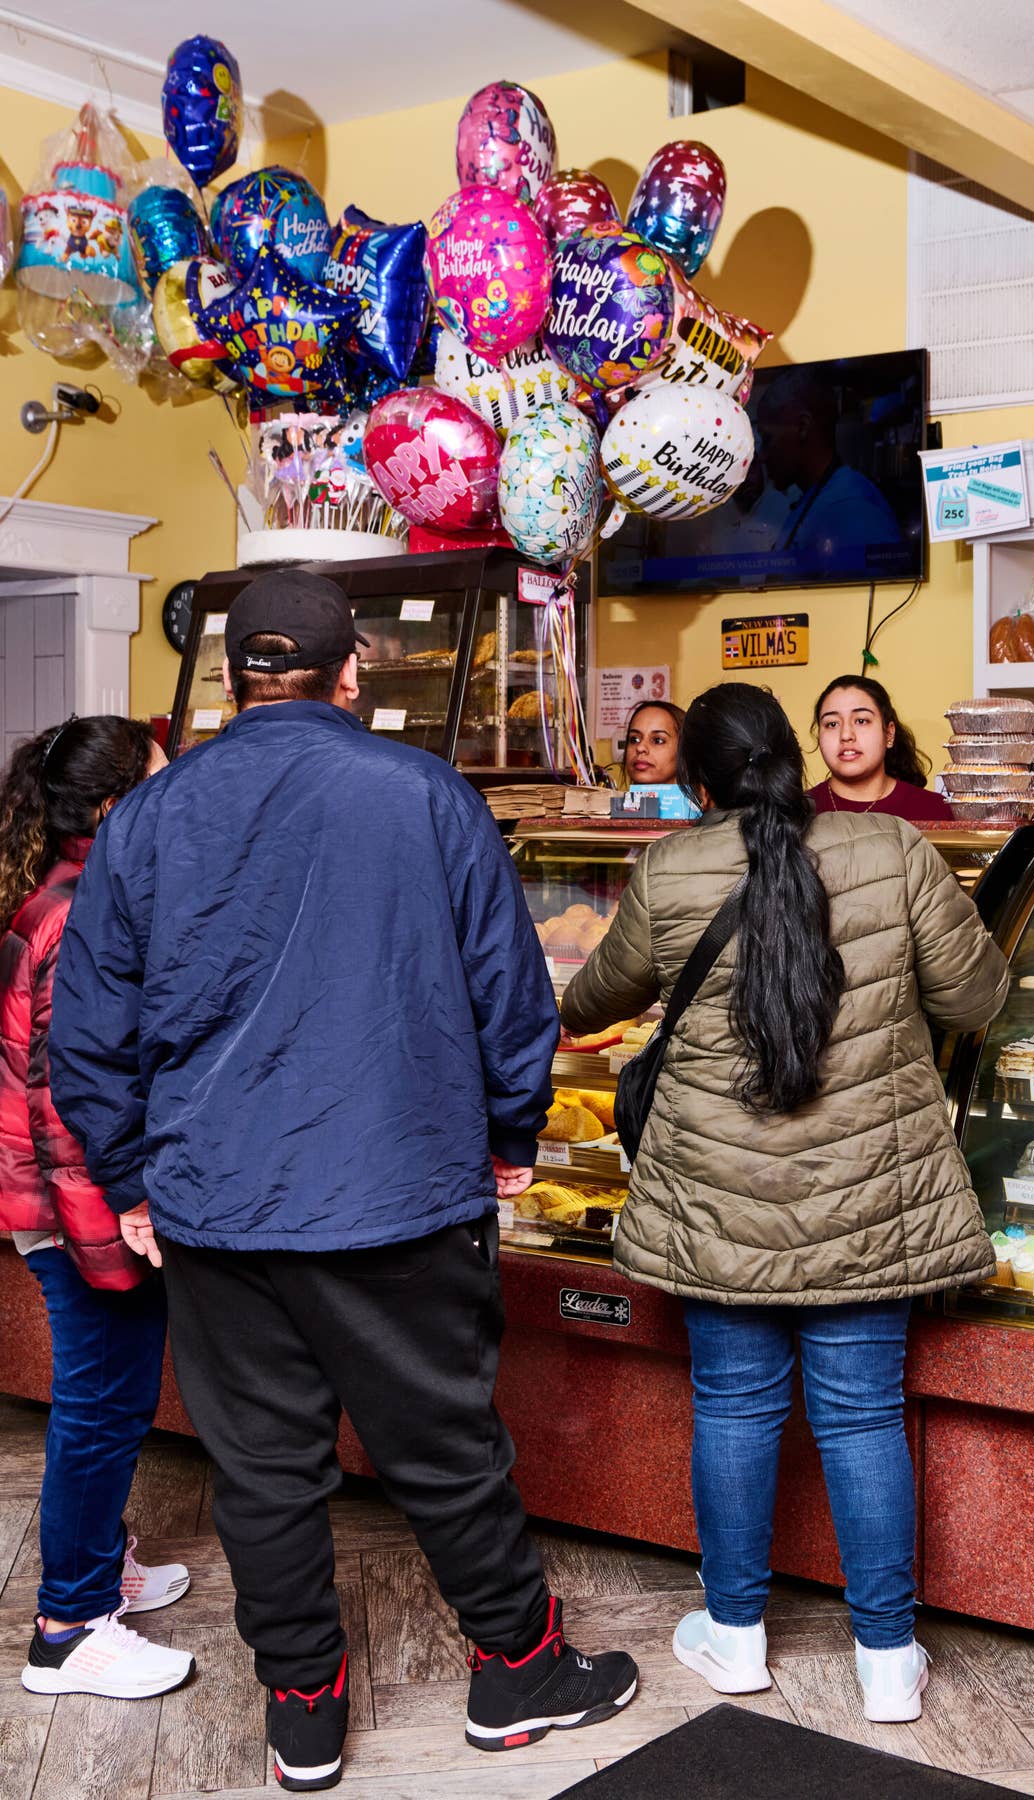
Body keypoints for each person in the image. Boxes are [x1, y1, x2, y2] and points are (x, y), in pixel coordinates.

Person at [48, 570, 637, 1794]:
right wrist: (510, 1137)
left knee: (262, 1472)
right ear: (353, 674)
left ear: (226, 680)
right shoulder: (426, 792)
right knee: (447, 1451)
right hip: (403, 1191)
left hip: (216, 1203)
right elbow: (510, 994)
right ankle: (517, 1672)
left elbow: (87, 1032)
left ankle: (302, 1707)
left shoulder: (147, 821)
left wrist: (129, 1179)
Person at [560, 682, 1009, 1723]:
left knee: (735, 1406)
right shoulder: (893, 851)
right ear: (797, 753)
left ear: (700, 779)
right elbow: (978, 997)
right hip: (872, 1193)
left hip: (721, 1201)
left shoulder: (672, 867)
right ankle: (889, 1661)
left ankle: (736, 1637)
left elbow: (593, 1001)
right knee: (860, 1418)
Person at [0, 716, 193, 1702]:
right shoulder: (81, 913)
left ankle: (100, 1567)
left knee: (104, 1399)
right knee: (99, 1407)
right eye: (162, 785)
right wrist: (121, 1213)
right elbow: (64, 1090)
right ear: (116, 807)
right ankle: (68, 1625)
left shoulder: (67, 893)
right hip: (74, 1200)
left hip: (58, 1193)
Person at [755, 369, 902, 558]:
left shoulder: (849, 511)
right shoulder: (824, 498)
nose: (762, 456)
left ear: (802, 427)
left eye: (767, 439)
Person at [811, 675, 952, 822]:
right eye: (832, 724)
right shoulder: (794, 811)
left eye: (861, 721)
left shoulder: (936, 811)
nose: (846, 735)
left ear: (889, 734)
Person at [622, 700, 686, 787]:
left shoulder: (703, 799)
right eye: (634, 739)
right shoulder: (606, 800)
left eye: (657, 740)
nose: (640, 748)